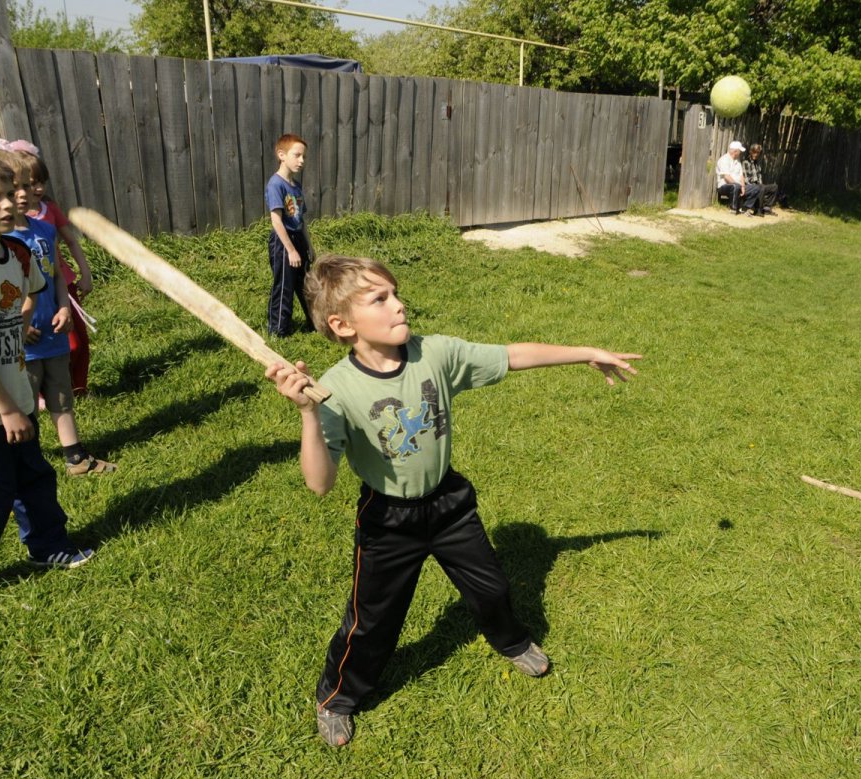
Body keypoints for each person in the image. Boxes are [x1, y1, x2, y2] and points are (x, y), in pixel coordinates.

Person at [265, 255, 641, 747]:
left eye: (395, 293)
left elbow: (512, 355)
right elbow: (319, 483)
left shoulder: (435, 354)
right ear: (341, 324)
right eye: (380, 299)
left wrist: (585, 351)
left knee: (490, 588)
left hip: (449, 504)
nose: (400, 306)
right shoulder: (336, 390)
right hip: (388, 520)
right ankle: (337, 697)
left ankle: (512, 640)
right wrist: (308, 415)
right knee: (371, 620)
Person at [0, 151, 94, 617]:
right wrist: (5, 409)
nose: (9, 203)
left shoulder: (18, 251)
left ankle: (47, 545)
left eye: (11, 194)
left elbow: (23, 299)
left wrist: (22, 325)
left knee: (34, 478)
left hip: (16, 396)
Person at [0, 149, 116, 476]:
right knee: (24, 405)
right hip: (23, 341)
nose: (21, 195)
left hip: (54, 331)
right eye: (11, 189)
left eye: (26, 187)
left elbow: (55, 271)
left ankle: (76, 458)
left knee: (61, 395)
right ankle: (21, 464)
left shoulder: (43, 230)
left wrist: (63, 307)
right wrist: (18, 324)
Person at [12, 143, 97, 397]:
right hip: (29, 292)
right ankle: (40, 394)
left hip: (61, 283)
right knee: (37, 342)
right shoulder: (8, 226)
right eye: (29, 183)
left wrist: (85, 273)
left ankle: (78, 387)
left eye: (39, 182)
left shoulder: (49, 212)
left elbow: (70, 241)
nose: (35, 188)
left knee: (78, 341)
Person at [266, 133, 314, 338]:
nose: (302, 161)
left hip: (298, 239)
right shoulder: (275, 185)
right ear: (282, 155)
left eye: (303, 157)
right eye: (297, 155)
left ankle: (315, 323)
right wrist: (291, 250)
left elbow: (300, 220)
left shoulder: (296, 186)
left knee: (306, 285)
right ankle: (278, 330)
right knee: (284, 286)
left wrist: (309, 246)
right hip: (283, 242)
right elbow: (277, 221)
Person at [715, 140, 758, 215]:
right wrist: (738, 186)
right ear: (735, 151)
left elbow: (741, 175)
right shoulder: (724, 160)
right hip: (724, 186)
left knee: (756, 188)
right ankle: (733, 209)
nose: (740, 153)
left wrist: (743, 187)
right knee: (735, 186)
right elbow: (727, 177)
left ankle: (745, 208)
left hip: (738, 186)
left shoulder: (737, 161)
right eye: (739, 151)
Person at [741, 143, 779, 216]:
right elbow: (745, 179)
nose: (756, 154)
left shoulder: (757, 164)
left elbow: (760, 177)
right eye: (754, 152)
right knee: (760, 187)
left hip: (759, 185)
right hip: (750, 187)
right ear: (750, 152)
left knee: (774, 187)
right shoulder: (745, 162)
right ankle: (758, 210)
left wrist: (761, 184)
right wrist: (757, 186)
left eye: (758, 153)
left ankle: (767, 208)